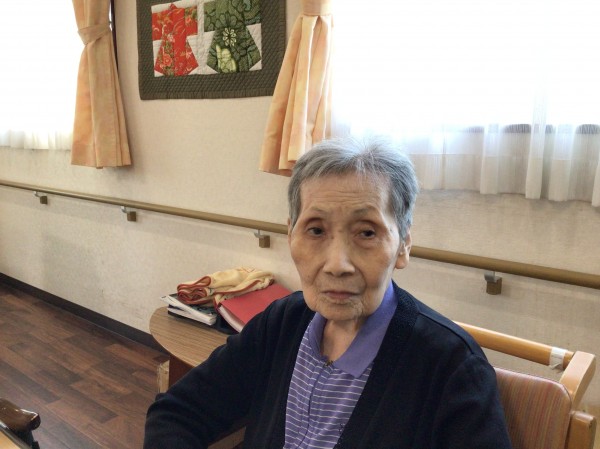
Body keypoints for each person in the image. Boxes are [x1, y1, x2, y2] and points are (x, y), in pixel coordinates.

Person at [144, 135, 513, 449]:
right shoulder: (281, 322)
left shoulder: (452, 366)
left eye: (366, 232)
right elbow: (178, 413)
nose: (337, 264)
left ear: (403, 245)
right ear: (291, 234)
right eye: (316, 230)